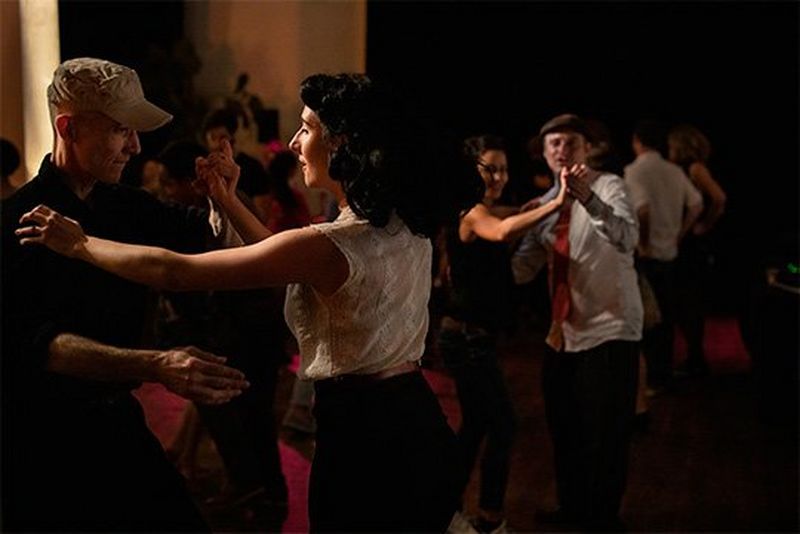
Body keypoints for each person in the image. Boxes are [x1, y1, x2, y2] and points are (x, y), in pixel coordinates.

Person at [18, 72, 482, 533]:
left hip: (368, 437)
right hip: (416, 421)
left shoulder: (332, 242)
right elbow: (283, 258)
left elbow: (174, 271)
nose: (295, 142)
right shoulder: (401, 222)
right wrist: (227, 199)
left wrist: (80, 244)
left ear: (342, 144)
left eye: (306, 128)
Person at [1, 57, 249, 532]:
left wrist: (224, 198)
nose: (135, 147)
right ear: (68, 128)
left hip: (115, 422)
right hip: (39, 440)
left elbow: (219, 248)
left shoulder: (128, 204)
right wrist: (154, 364)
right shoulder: (15, 221)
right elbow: (35, 347)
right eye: (120, 130)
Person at [511, 113, 643, 530]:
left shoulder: (609, 186)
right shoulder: (545, 205)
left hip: (610, 329)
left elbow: (627, 237)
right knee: (565, 430)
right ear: (543, 154)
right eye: (553, 144)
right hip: (562, 333)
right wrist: (521, 231)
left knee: (606, 435)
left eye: (570, 142)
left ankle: (603, 519)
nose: (561, 150)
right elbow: (521, 271)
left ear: (588, 149)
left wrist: (586, 197)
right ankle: (572, 511)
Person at [439, 134, 567, 534]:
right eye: (489, 168)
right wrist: (557, 202)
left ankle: (448, 510)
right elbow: (501, 230)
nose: (497, 176)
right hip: (465, 339)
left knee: (477, 425)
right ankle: (490, 519)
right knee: (504, 426)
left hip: (472, 338)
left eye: (503, 168)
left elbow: (507, 215)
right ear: (471, 170)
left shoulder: (483, 208)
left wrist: (532, 206)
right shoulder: (472, 211)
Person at [625, 120, 703, 394]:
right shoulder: (673, 171)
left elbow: (643, 209)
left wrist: (644, 242)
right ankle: (665, 373)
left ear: (637, 141)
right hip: (670, 252)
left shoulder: (634, 172)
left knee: (648, 318)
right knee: (667, 316)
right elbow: (696, 203)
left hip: (648, 256)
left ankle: (653, 378)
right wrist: (680, 233)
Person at [667, 123, 727, 377]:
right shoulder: (680, 170)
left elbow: (719, 198)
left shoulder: (694, 168)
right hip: (685, 240)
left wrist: (702, 225)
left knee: (690, 300)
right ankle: (693, 357)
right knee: (683, 300)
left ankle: (696, 359)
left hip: (692, 243)